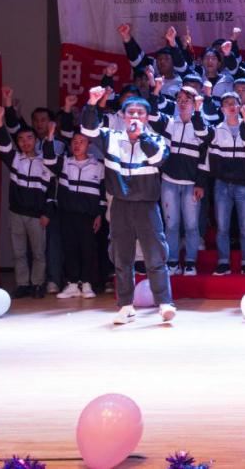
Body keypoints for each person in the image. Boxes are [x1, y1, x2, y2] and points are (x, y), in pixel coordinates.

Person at [81, 89, 175, 324]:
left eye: (140, 113)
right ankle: (125, 306)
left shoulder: (156, 140)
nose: (134, 116)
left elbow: (158, 159)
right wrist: (92, 103)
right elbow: (88, 130)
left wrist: (141, 136)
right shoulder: (111, 137)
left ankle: (164, 303)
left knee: (155, 256)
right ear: (122, 116)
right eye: (130, 112)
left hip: (146, 206)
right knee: (122, 257)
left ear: (146, 117)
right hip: (120, 205)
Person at [195, 93, 245, 276]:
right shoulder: (215, 131)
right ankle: (223, 262)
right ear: (222, 109)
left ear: (240, 106)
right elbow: (201, 136)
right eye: (227, 103)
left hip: (244, 185)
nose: (231, 106)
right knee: (222, 227)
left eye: (234, 103)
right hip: (222, 184)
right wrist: (197, 110)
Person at [0, 108, 54, 298]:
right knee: (18, 253)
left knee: (38, 253)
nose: (25, 142)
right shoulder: (14, 159)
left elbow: (52, 192)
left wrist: (47, 213)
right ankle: (22, 284)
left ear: (36, 140)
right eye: (21, 139)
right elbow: (3, 145)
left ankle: (38, 284)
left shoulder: (46, 162)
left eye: (29, 138)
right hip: (16, 213)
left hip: (37, 216)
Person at [149, 86, 206, 276]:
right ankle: (172, 261)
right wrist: (156, 89)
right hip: (169, 181)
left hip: (191, 184)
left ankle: (190, 263)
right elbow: (152, 116)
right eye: (179, 99)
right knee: (171, 225)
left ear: (194, 104)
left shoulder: (201, 128)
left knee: (191, 225)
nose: (182, 103)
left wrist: (200, 183)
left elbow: (205, 159)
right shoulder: (169, 123)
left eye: (187, 100)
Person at [42, 126, 105, 298]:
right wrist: (50, 136)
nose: (77, 145)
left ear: (89, 144)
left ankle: (86, 283)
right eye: (74, 142)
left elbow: (102, 193)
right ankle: (72, 283)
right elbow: (48, 160)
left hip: (88, 215)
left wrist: (100, 213)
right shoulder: (64, 162)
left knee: (87, 249)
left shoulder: (98, 166)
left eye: (82, 142)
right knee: (69, 248)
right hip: (67, 213)